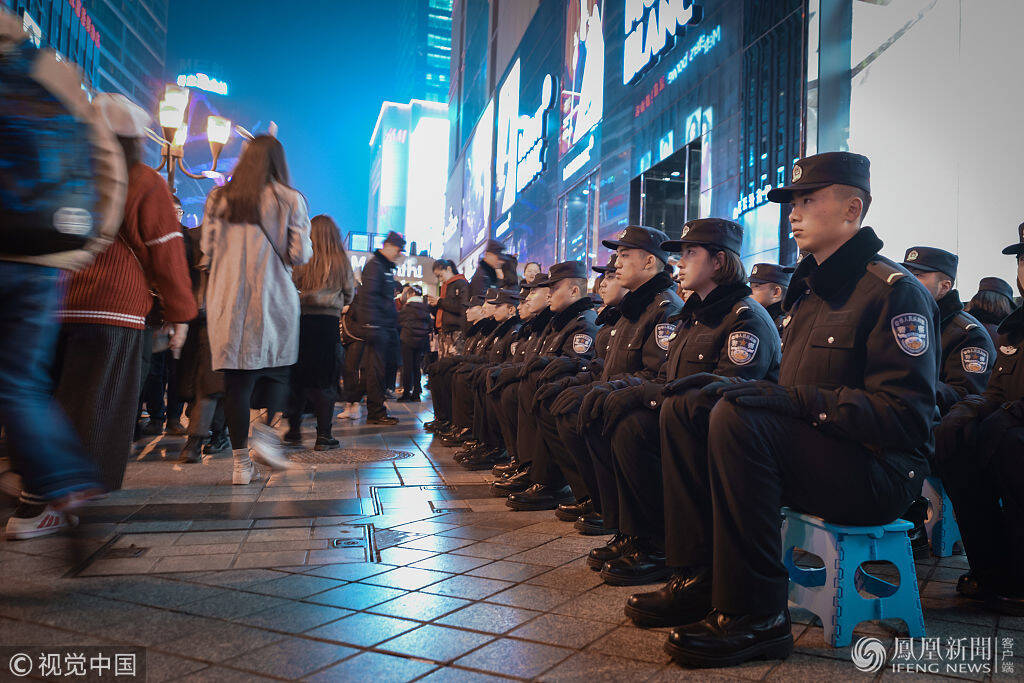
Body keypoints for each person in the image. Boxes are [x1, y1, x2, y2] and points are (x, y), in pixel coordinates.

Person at [642, 152, 940, 668]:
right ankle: (699, 579)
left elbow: (906, 418)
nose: (793, 213)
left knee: (738, 422)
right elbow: (783, 391)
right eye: (792, 202)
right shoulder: (810, 292)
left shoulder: (892, 293)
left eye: (807, 200)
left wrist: (794, 401)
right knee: (687, 407)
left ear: (853, 208)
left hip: (879, 471)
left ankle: (757, 616)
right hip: (825, 456)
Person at [590, 220, 781, 587]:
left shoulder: (744, 318)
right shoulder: (695, 315)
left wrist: (645, 397)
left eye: (691, 253)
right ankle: (640, 536)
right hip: (685, 422)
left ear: (719, 262)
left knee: (633, 428)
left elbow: (731, 393)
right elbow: (666, 379)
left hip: (725, 437)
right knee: (620, 421)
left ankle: (663, 548)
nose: (679, 261)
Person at [1, 17, 128, 539]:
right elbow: (105, 162)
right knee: (21, 383)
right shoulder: (52, 68)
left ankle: (55, 482)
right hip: (44, 255)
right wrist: (86, 244)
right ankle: (69, 481)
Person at [49, 94, 196, 496]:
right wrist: (180, 311)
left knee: (59, 400)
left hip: (60, 304)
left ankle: (40, 491)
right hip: (116, 310)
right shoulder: (144, 180)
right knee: (103, 407)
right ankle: (66, 497)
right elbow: (165, 251)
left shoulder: (69, 173)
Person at [201, 135, 312, 485]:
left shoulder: (219, 198)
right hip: (273, 296)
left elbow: (208, 247)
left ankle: (239, 464)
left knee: (237, 381)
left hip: (229, 298)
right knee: (278, 368)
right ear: (279, 162)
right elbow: (300, 254)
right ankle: (264, 436)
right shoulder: (289, 199)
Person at [934, 223, 1024, 615]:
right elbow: (995, 393)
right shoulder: (1016, 328)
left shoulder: (968, 330)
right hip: (1009, 433)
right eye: (1023, 259)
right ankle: (995, 572)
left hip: (1015, 439)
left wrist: (1004, 416)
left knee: (1008, 444)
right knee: (956, 446)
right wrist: (961, 417)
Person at [284, 214, 355, 450]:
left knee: (299, 377)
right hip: (328, 324)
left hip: (302, 322)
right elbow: (349, 294)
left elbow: (291, 285)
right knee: (326, 379)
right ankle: (323, 435)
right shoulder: (342, 261)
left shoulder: (304, 258)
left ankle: (293, 431)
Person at [358, 230, 404, 425]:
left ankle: (376, 410)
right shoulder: (375, 266)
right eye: (398, 250)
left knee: (379, 369)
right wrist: (372, 324)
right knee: (375, 370)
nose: (399, 254)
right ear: (389, 246)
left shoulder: (383, 267)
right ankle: (375, 412)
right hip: (376, 327)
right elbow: (368, 297)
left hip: (382, 326)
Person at [426, 258, 468, 362]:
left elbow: (462, 307)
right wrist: (433, 306)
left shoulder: (461, 283)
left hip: (456, 331)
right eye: (437, 277)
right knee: (443, 366)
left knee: (453, 365)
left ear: (449, 269)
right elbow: (444, 308)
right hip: (444, 331)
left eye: (440, 275)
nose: (440, 279)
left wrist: (440, 302)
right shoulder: (446, 286)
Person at [398, 284, 433, 402]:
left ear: (411, 294)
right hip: (421, 341)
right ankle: (417, 393)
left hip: (407, 340)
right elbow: (429, 324)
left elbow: (399, 322)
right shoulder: (425, 307)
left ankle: (407, 392)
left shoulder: (406, 308)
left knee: (407, 367)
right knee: (417, 367)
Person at [748, 263, 792, 333]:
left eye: (756, 286)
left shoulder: (784, 326)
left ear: (776, 292)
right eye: (750, 286)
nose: (750, 291)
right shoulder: (758, 317)